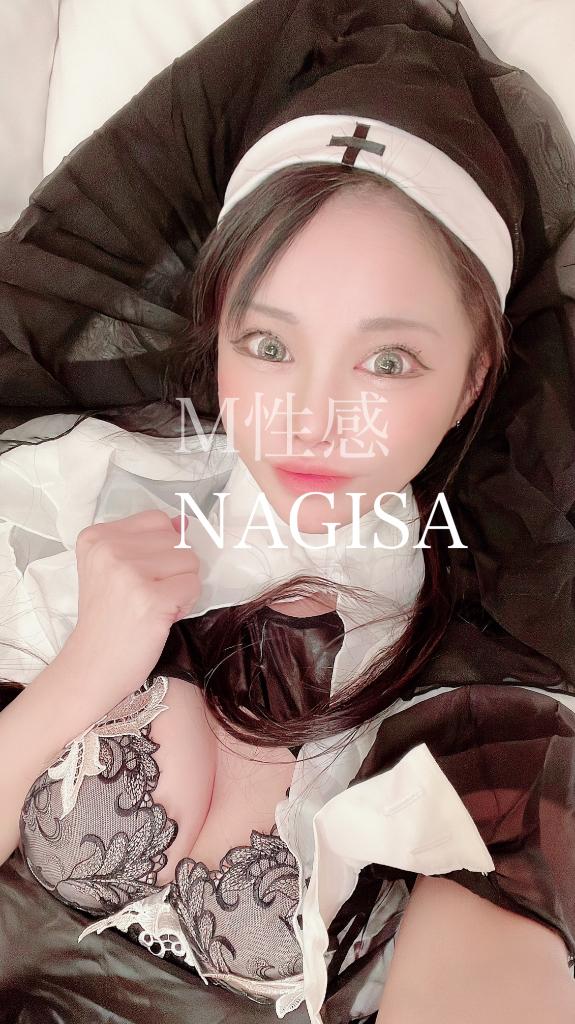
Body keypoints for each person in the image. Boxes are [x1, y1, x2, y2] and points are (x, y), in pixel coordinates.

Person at [0, 4, 574, 1024]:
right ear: (216, 333)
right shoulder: (62, 503)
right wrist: (84, 668)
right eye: (268, 346)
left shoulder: (492, 705)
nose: (312, 418)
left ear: (473, 374)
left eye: (386, 360)